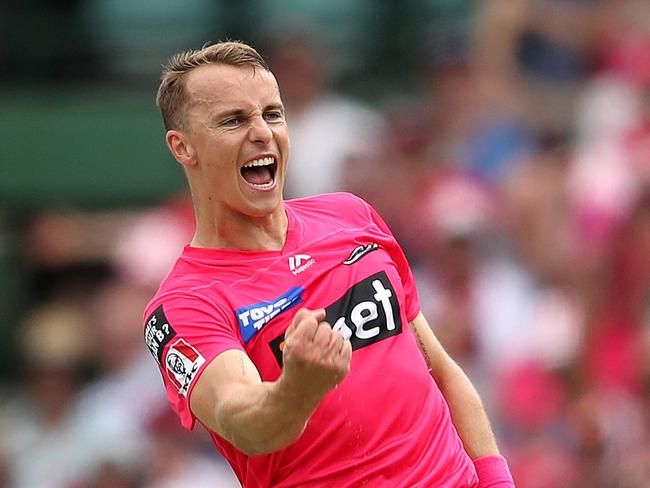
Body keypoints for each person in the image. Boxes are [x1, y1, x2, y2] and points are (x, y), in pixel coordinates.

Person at [143, 40, 515, 487]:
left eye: (272, 114)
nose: (262, 132)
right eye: (233, 120)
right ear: (183, 148)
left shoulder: (351, 216)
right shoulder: (183, 306)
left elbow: (439, 368)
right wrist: (297, 388)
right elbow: (242, 420)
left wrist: (497, 481)